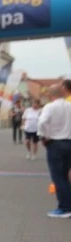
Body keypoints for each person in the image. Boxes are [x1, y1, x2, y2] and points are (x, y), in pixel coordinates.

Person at [37, 84, 71, 218]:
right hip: (69, 142)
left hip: (55, 143)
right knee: (66, 176)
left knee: (58, 177)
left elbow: (42, 122)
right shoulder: (70, 106)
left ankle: (64, 208)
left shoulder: (50, 107)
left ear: (50, 95)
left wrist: (44, 136)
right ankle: (68, 204)